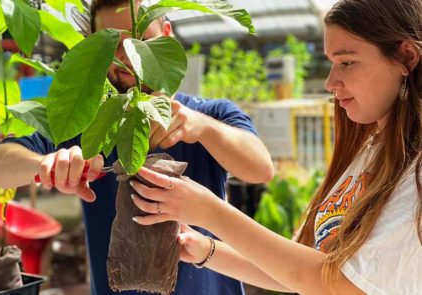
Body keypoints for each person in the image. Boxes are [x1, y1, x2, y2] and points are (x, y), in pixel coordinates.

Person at [0, 0, 274, 294]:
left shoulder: (209, 114)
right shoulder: (84, 123)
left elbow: (261, 169)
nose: (129, 57)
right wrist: (42, 165)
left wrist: (203, 128)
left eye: (142, 40)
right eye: (113, 45)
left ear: (166, 33)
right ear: (93, 46)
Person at [129, 0, 422, 294]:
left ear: (406, 57)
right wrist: (206, 249)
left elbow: (338, 285)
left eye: (346, 62)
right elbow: (299, 269)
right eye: (332, 63)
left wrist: (210, 212)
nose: (331, 82)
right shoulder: (372, 148)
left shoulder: (415, 169)